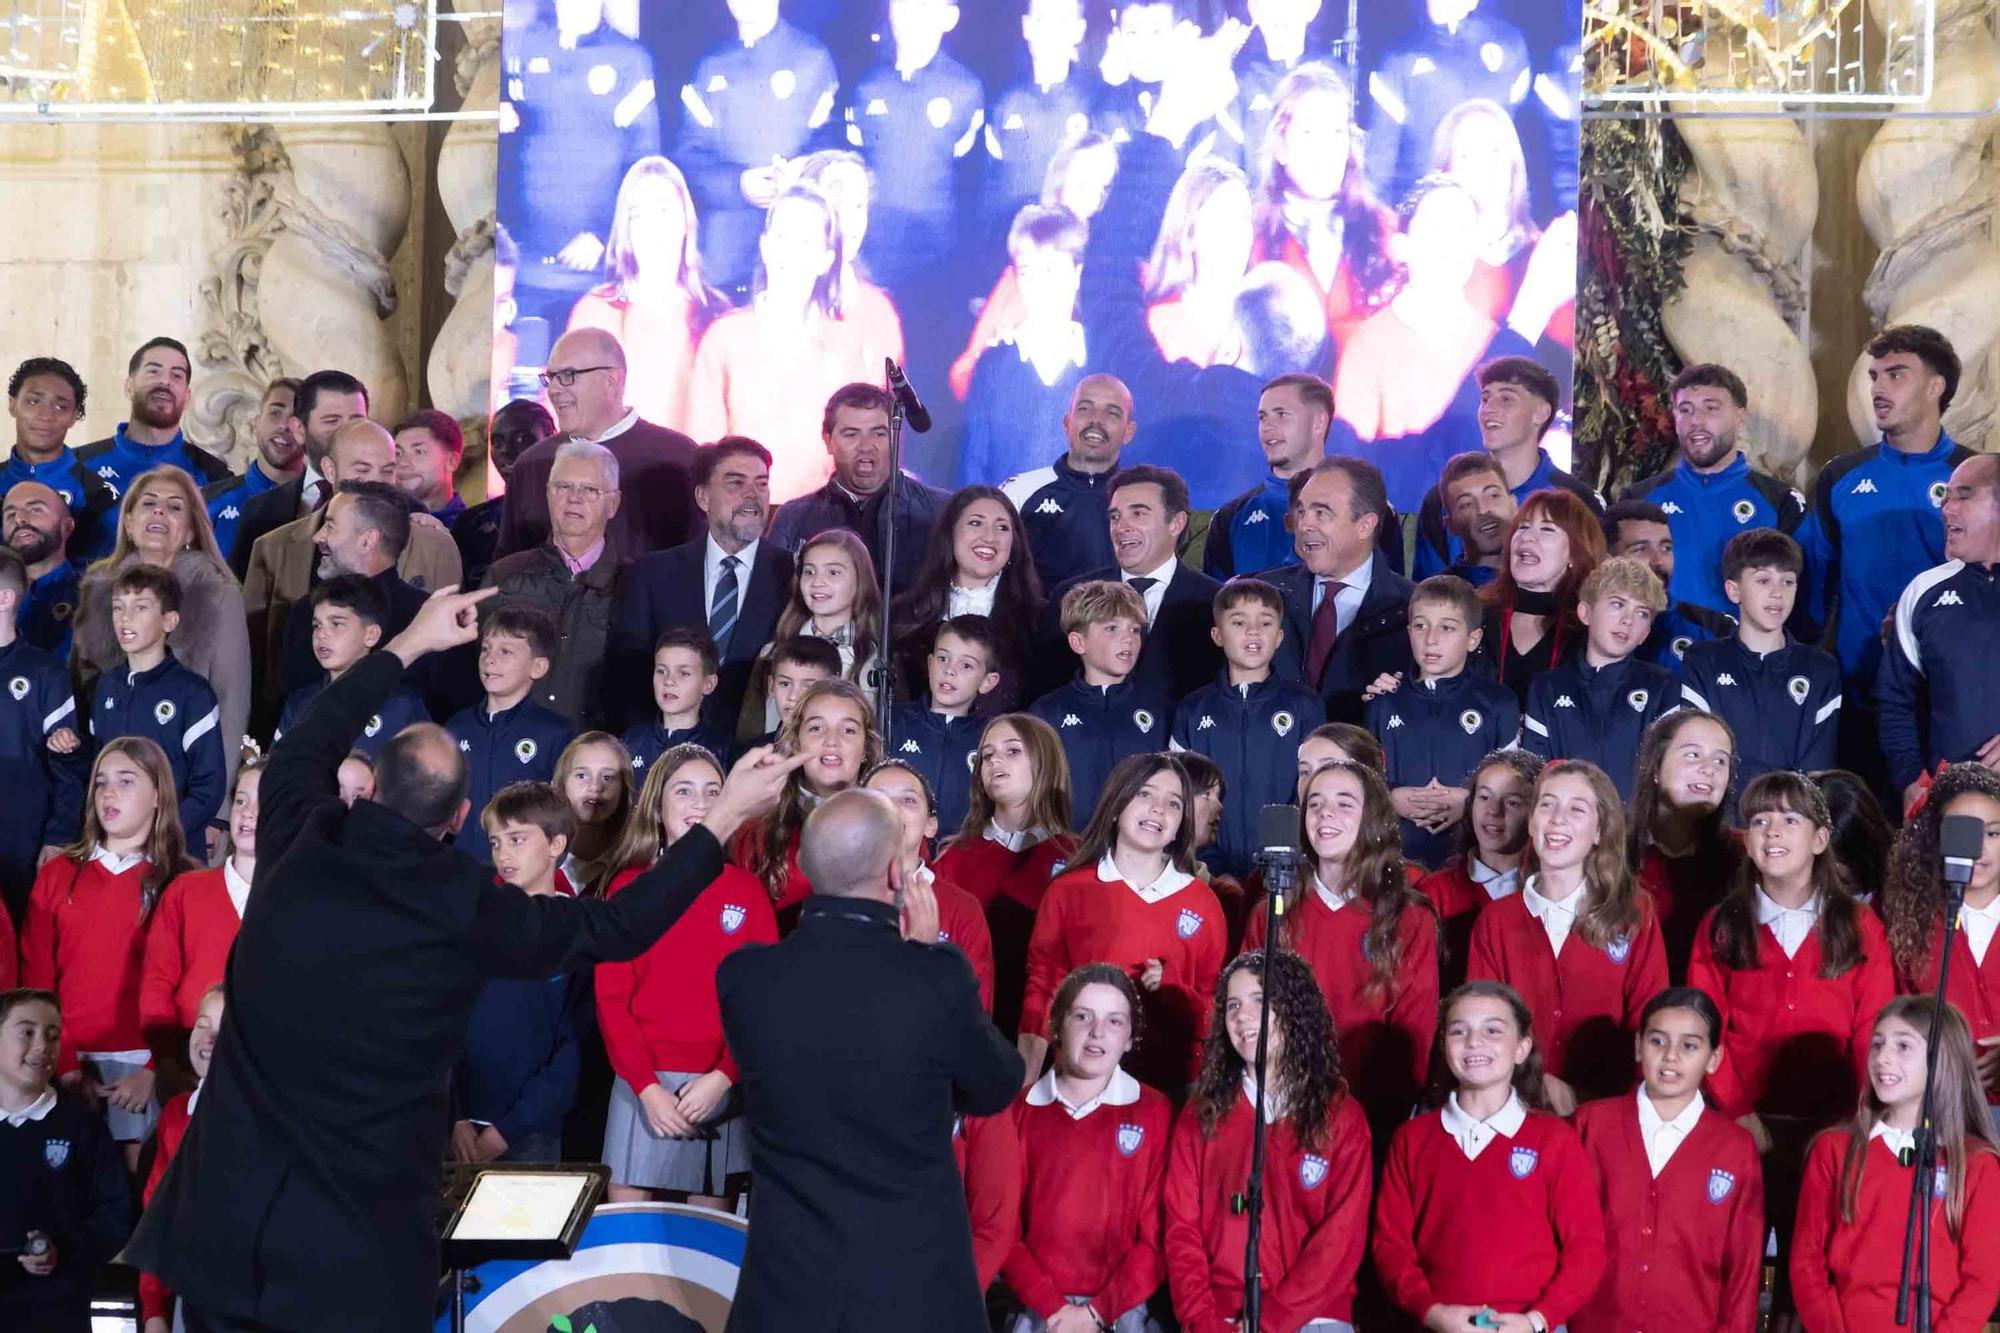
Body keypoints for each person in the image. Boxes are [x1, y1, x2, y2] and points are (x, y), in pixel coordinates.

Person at [125, 583, 800, 1330]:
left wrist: (409, 643)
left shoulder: (297, 838)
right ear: (455, 819)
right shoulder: (467, 900)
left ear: (373, 787)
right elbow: (619, 926)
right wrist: (728, 815)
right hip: (356, 1253)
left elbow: (315, 734)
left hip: (225, 1226)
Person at [719, 785, 1024, 1332]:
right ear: (894, 873)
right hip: (912, 1292)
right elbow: (998, 1085)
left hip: (789, 1290)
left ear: (808, 866)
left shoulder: (745, 978)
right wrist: (929, 959)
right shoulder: (934, 977)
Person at [1690, 773, 1892, 1198]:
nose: (1773, 830)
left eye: (1789, 820)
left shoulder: (1860, 925)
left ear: (1820, 840)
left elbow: (1872, 1028)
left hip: (1835, 1128)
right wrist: (1738, 1113)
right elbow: (1703, 1031)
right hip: (1744, 1125)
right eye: (1760, 821)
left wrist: (1853, 1117)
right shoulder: (1721, 924)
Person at [1372, 980, 1607, 1332]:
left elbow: (1586, 1248)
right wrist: (1431, 1311)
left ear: (1522, 1048)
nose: (1474, 1042)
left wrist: (1536, 1320)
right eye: (1458, 1031)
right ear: (1442, 1045)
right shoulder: (1412, 1139)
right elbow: (1391, 1246)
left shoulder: (1554, 1139)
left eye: (1493, 1030)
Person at [596, 745, 774, 1205]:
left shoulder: (747, 892)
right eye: (684, 791)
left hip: (716, 1088)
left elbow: (762, 1002)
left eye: (713, 792)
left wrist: (723, 1076)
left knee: (702, 1256)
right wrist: (647, 1088)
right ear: (658, 806)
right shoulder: (629, 888)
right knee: (627, 1244)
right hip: (641, 1088)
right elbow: (612, 1001)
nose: (699, 803)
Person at [1799, 324, 1972, 793]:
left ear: (1935, 387)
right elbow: (1812, 589)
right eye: (1874, 375)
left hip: (1953, 706)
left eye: (1896, 375)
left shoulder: (1978, 477)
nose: (1877, 388)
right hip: (1859, 698)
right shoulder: (1842, 476)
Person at [1164, 949, 1373, 1332]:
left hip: (1315, 1316)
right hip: (1217, 1315)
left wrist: (1270, 1322)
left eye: (1260, 1001)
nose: (1243, 1016)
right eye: (1232, 1006)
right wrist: (1204, 1321)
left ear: (1294, 1010)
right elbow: (1181, 1230)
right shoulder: (1200, 1115)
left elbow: (1340, 1241)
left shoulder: (1342, 1116)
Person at [23, 737, 196, 1165]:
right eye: (100, 782)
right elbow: (36, 977)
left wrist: (155, 1071)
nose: (108, 793)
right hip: (63, 1064)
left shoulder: (182, 881)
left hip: (143, 1069)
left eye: (125, 780)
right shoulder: (58, 874)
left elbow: (188, 987)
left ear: (158, 795)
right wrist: (61, 1065)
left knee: (138, 1203)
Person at [1249, 758, 1440, 1133]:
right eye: (1315, 803)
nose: (1325, 814)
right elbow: (1250, 1013)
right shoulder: (1272, 910)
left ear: (1372, 818)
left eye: (1344, 803)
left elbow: (1414, 1032)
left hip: (1372, 1116)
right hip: (1279, 1109)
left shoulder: (1409, 918)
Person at [1468, 760, 1668, 1113]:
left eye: (1576, 808)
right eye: (1547, 804)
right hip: (1518, 1111)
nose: (1558, 818)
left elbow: (1650, 1021)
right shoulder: (1496, 920)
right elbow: (1483, 1028)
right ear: (1531, 822)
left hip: (1611, 1115)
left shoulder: (1634, 914)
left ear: (1598, 831)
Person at [1790, 996, 2000, 1331]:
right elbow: (1806, 1261)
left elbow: (1983, 1280)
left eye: (1903, 1046)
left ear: (1942, 1059)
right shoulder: (1833, 1149)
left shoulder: (1976, 1164)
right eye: (1877, 1044)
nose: (1883, 1058)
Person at [1020, 754, 1225, 1094]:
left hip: (1169, 1093)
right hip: (1077, 1089)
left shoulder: (1204, 904)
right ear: (1116, 807)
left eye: (1173, 803)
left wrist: (1174, 990)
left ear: (1181, 825)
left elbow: (1214, 1006)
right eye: (1144, 794)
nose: (1158, 809)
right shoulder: (1068, 891)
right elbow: (1042, 987)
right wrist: (1027, 1082)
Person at [1571, 987, 1766, 1333]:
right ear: (1637, 1046)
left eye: (1689, 1046)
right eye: (1657, 1042)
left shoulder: (1735, 1147)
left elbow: (1744, 1267)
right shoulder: (1591, 1125)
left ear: (1714, 1058)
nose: (1671, 1056)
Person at [243, 422, 461, 728]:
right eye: (362, 469)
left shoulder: (429, 617)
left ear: (368, 539)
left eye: (331, 526)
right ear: (330, 470)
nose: (318, 537)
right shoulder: (304, 613)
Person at [685, 187, 879, 503]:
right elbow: (703, 451)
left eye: (805, 242)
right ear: (764, 246)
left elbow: (861, 451)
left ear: (826, 259)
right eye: (782, 237)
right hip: (740, 522)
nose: (791, 253)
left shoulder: (847, 347)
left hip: (824, 524)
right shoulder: (724, 338)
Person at [1003, 963, 1169, 1333]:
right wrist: (1052, 1308)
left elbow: (1157, 1237)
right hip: (1041, 1308)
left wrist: (1097, 1313)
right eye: (1082, 1016)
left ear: (1129, 1037)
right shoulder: (1021, 1112)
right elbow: (1003, 1229)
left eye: (1114, 1021)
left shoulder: (1155, 1112)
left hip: (1124, 1307)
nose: (1097, 1032)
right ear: (1058, 1026)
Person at [73, 466, 253, 788]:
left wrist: (218, 809)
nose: (159, 510)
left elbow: (232, 701)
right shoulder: (97, 589)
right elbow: (81, 696)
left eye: (174, 506)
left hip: (183, 786)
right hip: (104, 786)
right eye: (149, 503)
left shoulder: (218, 593)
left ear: (190, 532)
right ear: (128, 523)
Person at [611, 437, 791, 733]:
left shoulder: (792, 575)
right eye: (736, 483)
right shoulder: (652, 575)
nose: (752, 495)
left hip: (760, 750)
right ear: (703, 497)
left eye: (761, 484)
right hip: (671, 750)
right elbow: (630, 677)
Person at [500, 0, 661, 329]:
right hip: (526, 269)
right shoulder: (524, 47)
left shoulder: (630, 59)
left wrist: (603, 233)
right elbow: (509, 147)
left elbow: (644, 164)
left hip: (594, 273)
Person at [451, 783, 586, 1166]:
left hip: (531, 1132)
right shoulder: (474, 929)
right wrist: (456, 1114)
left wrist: (507, 1130)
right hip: (459, 1128)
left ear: (556, 844)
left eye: (517, 839)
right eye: (495, 843)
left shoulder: (575, 936)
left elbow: (571, 1054)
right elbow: (446, 1027)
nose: (503, 854)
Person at [674, 0, 838, 292]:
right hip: (724, 255)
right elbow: (688, 156)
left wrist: (805, 167)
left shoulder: (812, 59)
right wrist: (738, 184)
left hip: (795, 251)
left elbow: (831, 140)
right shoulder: (710, 66)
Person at [1620, 362, 1806, 617]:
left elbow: (1806, 599)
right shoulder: (1638, 498)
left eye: (1711, 408)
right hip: (1655, 654)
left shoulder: (1780, 501)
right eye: (1685, 410)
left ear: (1740, 417)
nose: (1696, 421)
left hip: (1742, 654)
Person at [497, 328, 696, 563]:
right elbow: (509, 571)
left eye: (568, 375)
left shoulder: (679, 457)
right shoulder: (531, 464)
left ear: (611, 380)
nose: (554, 389)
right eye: (550, 377)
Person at [935, 713, 1077, 1036]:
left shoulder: (1078, 858)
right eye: (987, 755)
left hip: (1053, 1037)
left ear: (1045, 762)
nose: (996, 760)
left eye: (1012, 751)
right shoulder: (953, 859)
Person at [563, 155, 730, 429]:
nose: (654, 227)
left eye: (664, 211)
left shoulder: (715, 314)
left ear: (686, 222)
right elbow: (566, 415)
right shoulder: (595, 312)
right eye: (639, 215)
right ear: (625, 231)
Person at [1169, 577, 1320, 877]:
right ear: (1217, 635)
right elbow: (1184, 795)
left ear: (1279, 636)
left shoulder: (1306, 706)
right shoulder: (1191, 709)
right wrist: (1210, 864)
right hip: (1207, 871)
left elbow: (1313, 790)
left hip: (1285, 871)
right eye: (1238, 623)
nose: (1253, 631)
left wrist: (1283, 859)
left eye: (1265, 623)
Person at [1367, 574, 1521, 868]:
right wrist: (1390, 799)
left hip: (1473, 861)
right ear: (1408, 631)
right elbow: (1366, 779)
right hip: (1397, 860)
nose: (1431, 639)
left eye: (1447, 628)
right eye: (1421, 626)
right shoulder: (1384, 702)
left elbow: (1516, 786)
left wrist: (1470, 802)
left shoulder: (1499, 702)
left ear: (1473, 638)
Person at [0, 988, 131, 1333]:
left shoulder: (82, 1127)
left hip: (58, 1313)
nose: (43, 1045)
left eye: (53, 1035)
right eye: (27, 1032)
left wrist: (66, 1250)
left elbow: (116, 1213)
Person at [1040, 465, 1223, 705]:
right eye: (1115, 516)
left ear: (1176, 523)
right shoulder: (1069, 596)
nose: (1121, 527)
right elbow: (1046, 688)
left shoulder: (1215, 602)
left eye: (1138, 513)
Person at [1678, 529, 1841, 793]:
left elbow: (1817, 767)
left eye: (1787, 582)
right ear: (1733, 590)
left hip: (1789, 818)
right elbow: (1697, 754)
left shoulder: (1820, 668)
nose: (1778, 593)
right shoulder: (1703, 661)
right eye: (1763, 581)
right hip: (1720, 818)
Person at [1881, 450, 2000, 813]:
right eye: (1946, 497)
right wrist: (1909, 780)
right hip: (1950, 808)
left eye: (1964, 496)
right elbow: (1894, 700)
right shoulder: (1923, 592)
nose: (1946, 508)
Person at [1250, 63, 1396, 354]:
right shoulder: (1250, 234)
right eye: (1308, 132)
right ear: (1280, 147)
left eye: (1337, 132)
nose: (1325, 149)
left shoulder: (1382, 228)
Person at [1879, 763, 2000, 1109]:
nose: (1977, 848)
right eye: (1962, 832)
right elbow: (1889, 1017)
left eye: (1992, 833)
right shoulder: (1908, 922)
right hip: (1937, 1106)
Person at [1414, 357, 1601, 580]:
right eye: (1484, 399)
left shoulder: (1575, 499)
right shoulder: (1441, 499)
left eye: (1506, 399)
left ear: (1541, 413)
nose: (1488, 410)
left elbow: (1595, 587)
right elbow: (1428, 592)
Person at [87, 566, 228, 858]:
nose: (125, 618)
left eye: (140, 607)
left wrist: (157, 833)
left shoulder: (193, 692)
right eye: (118, 607)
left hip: (171, 851)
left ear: (169, 620)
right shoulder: (106, 686)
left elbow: (208, 788)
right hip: (112, 851)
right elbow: (94, 769)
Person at [1265, 457, 1417, 722]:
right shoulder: (1265, 598)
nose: (1304, 525)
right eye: (1301, 512)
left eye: (1321, 513)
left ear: (1365, 525)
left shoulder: (1413, 611)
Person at [484, 439, 624, 726]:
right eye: (563, 487)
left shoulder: (635, 584)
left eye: (590, 490)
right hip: (514, 743)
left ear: (613, 504)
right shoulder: (504, 576)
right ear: (547, 494)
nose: (574, 498)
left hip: (595, 752)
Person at [847, 0, 982, 287]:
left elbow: (973, 187)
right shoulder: (866, 87)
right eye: (902, 4)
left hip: (936, 261)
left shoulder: (967, 90)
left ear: (949, 17)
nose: (910, 15)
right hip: (872, 258)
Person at [767, 382, 950, 593]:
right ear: (828, 441)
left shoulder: (941, 511)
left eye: (879, 433)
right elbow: (776, 601)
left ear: (897, 438)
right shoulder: (792, 518)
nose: (865, 446)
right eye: (851, 434)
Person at [1520, 555, 1679, 798]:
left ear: (1645, 633)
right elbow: (1534, 774)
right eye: (1617, 604)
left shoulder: (1662, 687)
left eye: (1642, 613)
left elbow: (1669, 776)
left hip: (1636, 832)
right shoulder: (1546, 687)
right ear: (1585, 613)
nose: (1628, 620)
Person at [732, 677, 882, 925]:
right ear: (796, 742)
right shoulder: (756, 833)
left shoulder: (892, 827)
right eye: (816, 728)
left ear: (866, 747)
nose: (831, 741)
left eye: (848, 730)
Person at [140, 760, 263, 1058]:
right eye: (241, 801)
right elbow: (157, 981)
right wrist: (163, 1061)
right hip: (185, 1063)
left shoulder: (300, 900)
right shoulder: (186, 890)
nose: (248, 812)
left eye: (264, 803)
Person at [1205, 372, 1372, 583]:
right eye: (1262, 417)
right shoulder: (1229, 518)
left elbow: (1389, 600)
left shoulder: (1370, 508)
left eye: (1281, 414)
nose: (1267, 427)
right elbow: (1220, 604)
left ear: (1319, 422)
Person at [889, 487, 1043, 715]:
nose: (989, 537)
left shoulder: (1040, 621)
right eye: (975, 523)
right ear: (950, 534)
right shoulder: (903, 613)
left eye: (1002, 527)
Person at [1028, 580, 1173, 818]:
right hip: (1070, 848)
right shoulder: (1047, 712)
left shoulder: (1161, 709)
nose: (1128, 639)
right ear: (1078, 642)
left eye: (1135, 629)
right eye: (1112, 628)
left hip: (1139, 849)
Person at [445, 604, 574, 863]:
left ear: (537, 667)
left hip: (520, 877)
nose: (490, 659)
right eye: (485, 648)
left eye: (506, 651)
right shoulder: (456, 727)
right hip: (458, 869)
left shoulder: (556, 733)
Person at [865, 760, 996, 1012]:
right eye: (878, 799)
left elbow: (975, 1013)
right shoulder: (836, 894)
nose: (891, 809)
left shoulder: (963, 908)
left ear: (930, 825)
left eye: (908, 801)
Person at [1626, 710, 1743, 982]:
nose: (1709, 768)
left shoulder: (1746, 855)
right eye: (1692, 754)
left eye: (1720, 760)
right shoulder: (1608, 848)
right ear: (1655, 767)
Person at [0, 546, 83, 921]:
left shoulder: (44, 672)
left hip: (22, 840)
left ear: (5, 599)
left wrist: (58, 834)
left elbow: (67, 766)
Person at [225, 368, 371, 577]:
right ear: (300, 430)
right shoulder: (259, 512)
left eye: (356, 421)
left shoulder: (404, 512)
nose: (347, 432)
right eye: (332, 421)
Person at [1419, 748, 1539, 990]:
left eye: (1512, 802)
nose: (1494, 811)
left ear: (1536, 812)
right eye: (1484, 797)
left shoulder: (1549, 894)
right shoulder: (1434, 892)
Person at [1000, 373, 1132, 594]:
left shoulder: (1142, 499)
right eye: (1084, 408)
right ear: (1066, 423)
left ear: (1129, 431)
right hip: (1032, 626)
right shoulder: (1019, 491)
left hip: (1119, 625)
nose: (1096, 420)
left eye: (1112, 412)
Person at [139, 985, 222, 1333]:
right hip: (189, 1300)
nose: (209, 1037)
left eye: (225, 1027)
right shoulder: (176, 1114)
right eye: (202, 1024)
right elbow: (157, 1212)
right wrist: (153, 1307)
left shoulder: (274, 1120)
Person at [273, 576, 429, 752]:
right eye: (317, 625)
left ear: (371, 635)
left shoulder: (402, 705)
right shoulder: (300, 704)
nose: (322, 634)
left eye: (337, 624)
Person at [1479, 488, 1605, 706]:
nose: (1527, 537)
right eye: (1523, 527)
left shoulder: (1590, 630)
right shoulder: (1475, 614)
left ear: (1575, 553)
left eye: (1547, 529)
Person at [755, 528, 886, 727]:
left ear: (860, 580)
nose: (817, 582)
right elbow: (757, 728)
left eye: (833, 572)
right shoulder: (772, 654)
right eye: (809, 572)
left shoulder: (876, 661)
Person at [75, 337, 231, 498]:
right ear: (129, 387)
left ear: (187, 397)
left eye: (177, 375)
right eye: (154, 371)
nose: (165, 381)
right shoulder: (78, 465)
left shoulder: (215, 477)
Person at [888, 617, 1002, 835]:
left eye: (966, 665)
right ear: (930, 665)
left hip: (961, 857)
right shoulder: (894, 720)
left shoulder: (990, 737)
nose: (950, 670)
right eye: (943, 658)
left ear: (987, 682)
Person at [1141, 158, 1256, 369]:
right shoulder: (1162, 326)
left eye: (1244, 217)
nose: (1238, 233)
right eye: (1223, 220)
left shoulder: (1259, 317)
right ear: (1188, 234)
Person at [2, 356, 117, 561]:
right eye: (33, 401)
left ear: (74, 416)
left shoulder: (97, 494)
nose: (45, 415)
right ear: (12, 404)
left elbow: (103, 573)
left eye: (60, 407)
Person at [1599, 497, 1735, 667]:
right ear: (1607, 559)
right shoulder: (1578, 628)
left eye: (1666, 548)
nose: (1658, 561)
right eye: (1640, 549)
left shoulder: (1716, 629)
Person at [456, 398, 553, 588]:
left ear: (551, 438)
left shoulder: (571, 517)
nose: (506, 450)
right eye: (497, 442)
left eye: (522, 439)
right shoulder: (471, 523)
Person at [204, 378, 304, 560]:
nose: (284, 426)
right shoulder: (207, 500)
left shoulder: (321, 507)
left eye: (296, 418)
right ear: (256, 423)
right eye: (275, 413)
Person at [623, 627, 733, 776]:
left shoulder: (723, 750)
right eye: (661, 671)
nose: (668, 681)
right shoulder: (632, 740)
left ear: (708, 684)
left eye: (683, 673)